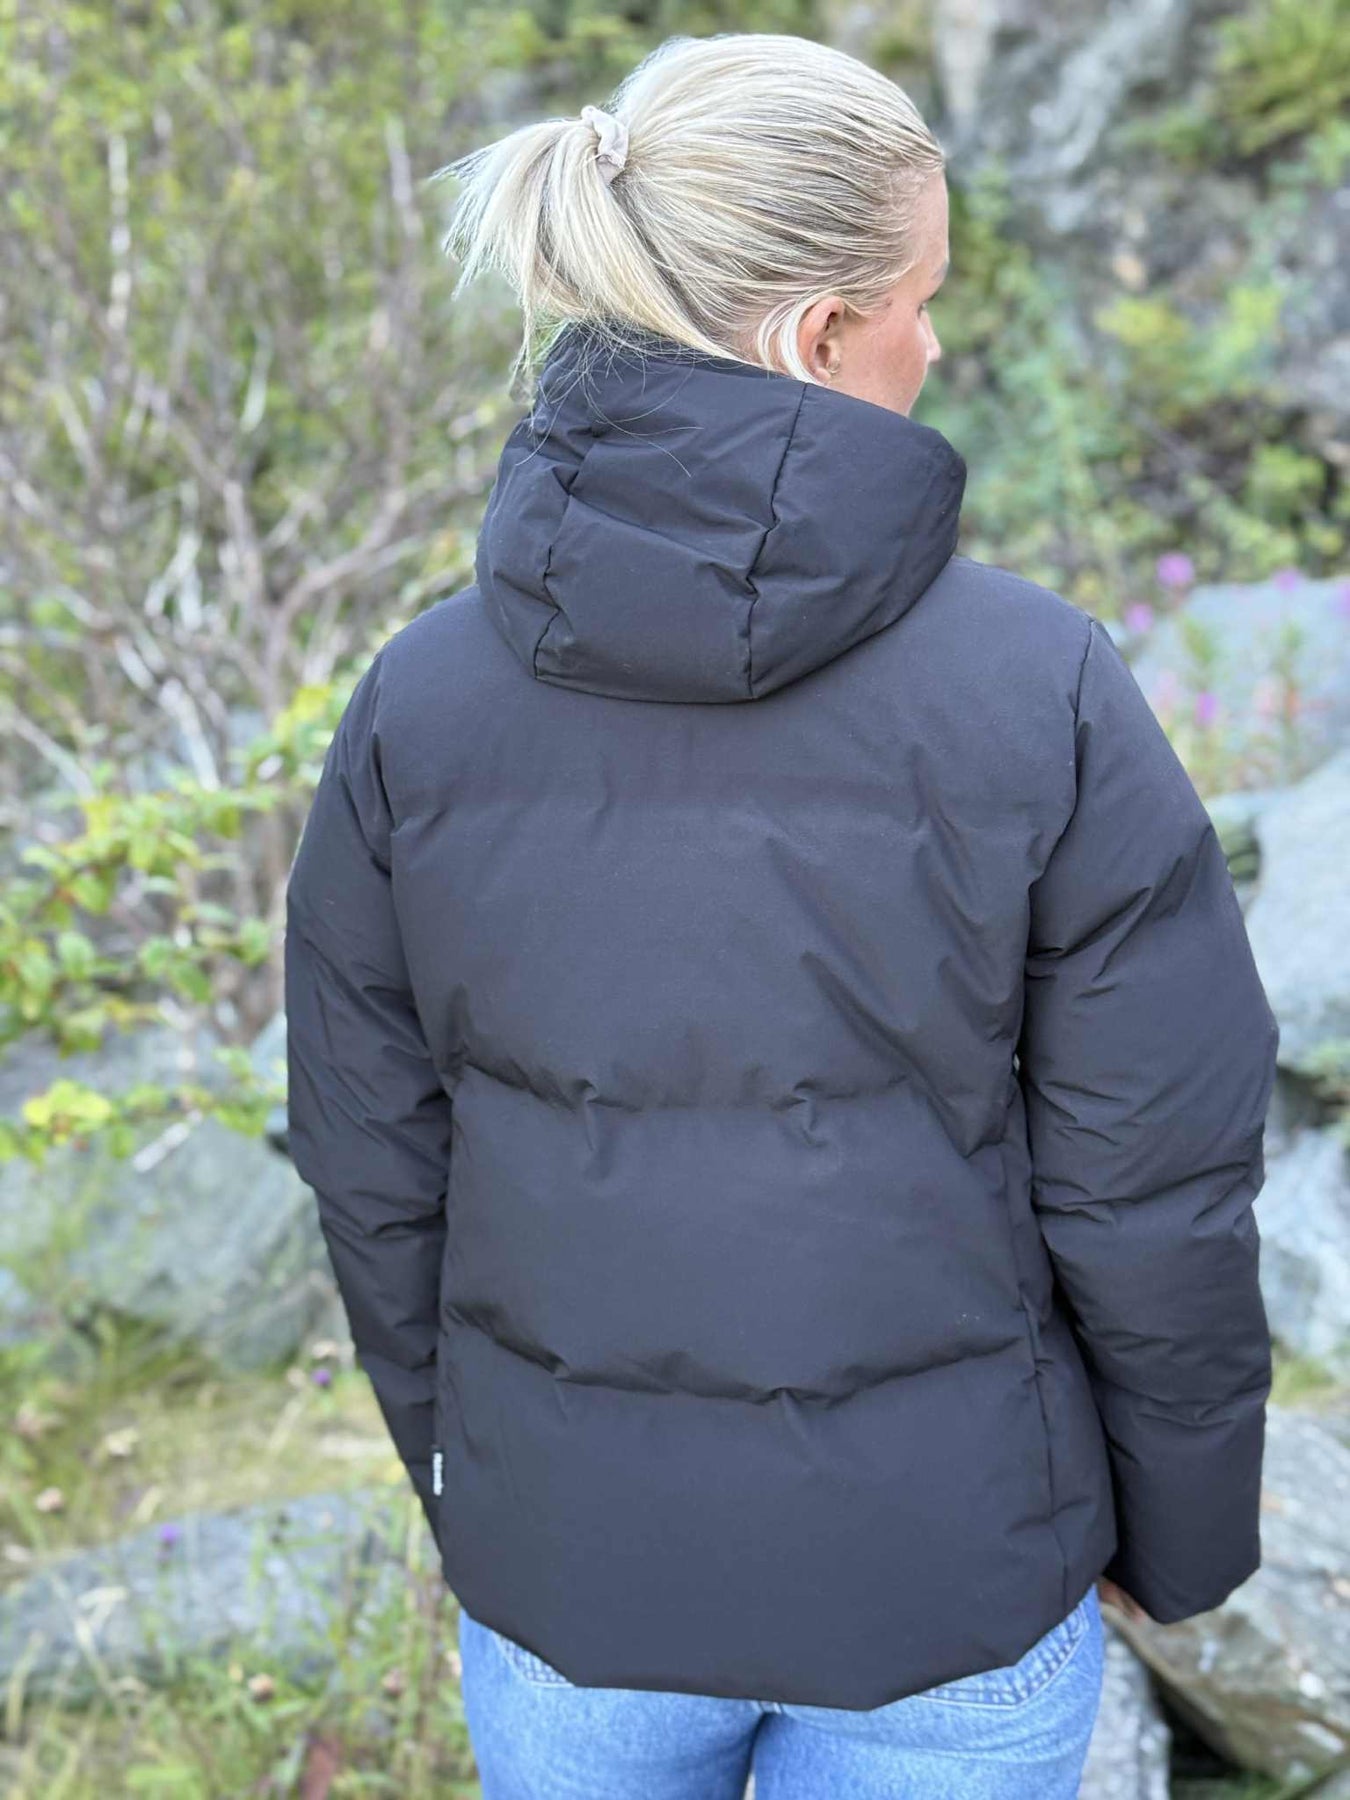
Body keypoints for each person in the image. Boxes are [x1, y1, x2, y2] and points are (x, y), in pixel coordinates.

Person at [283, 30, 1280, 1800]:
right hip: (949, 1582)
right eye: (921, 300)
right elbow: (1149, 1183)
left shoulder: (416, 702)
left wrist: (479, 1483)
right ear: (819, 336)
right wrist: (1180, 1531)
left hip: (571, 1583)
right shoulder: (1037, 686)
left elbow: (374, 1161)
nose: (936, 343)